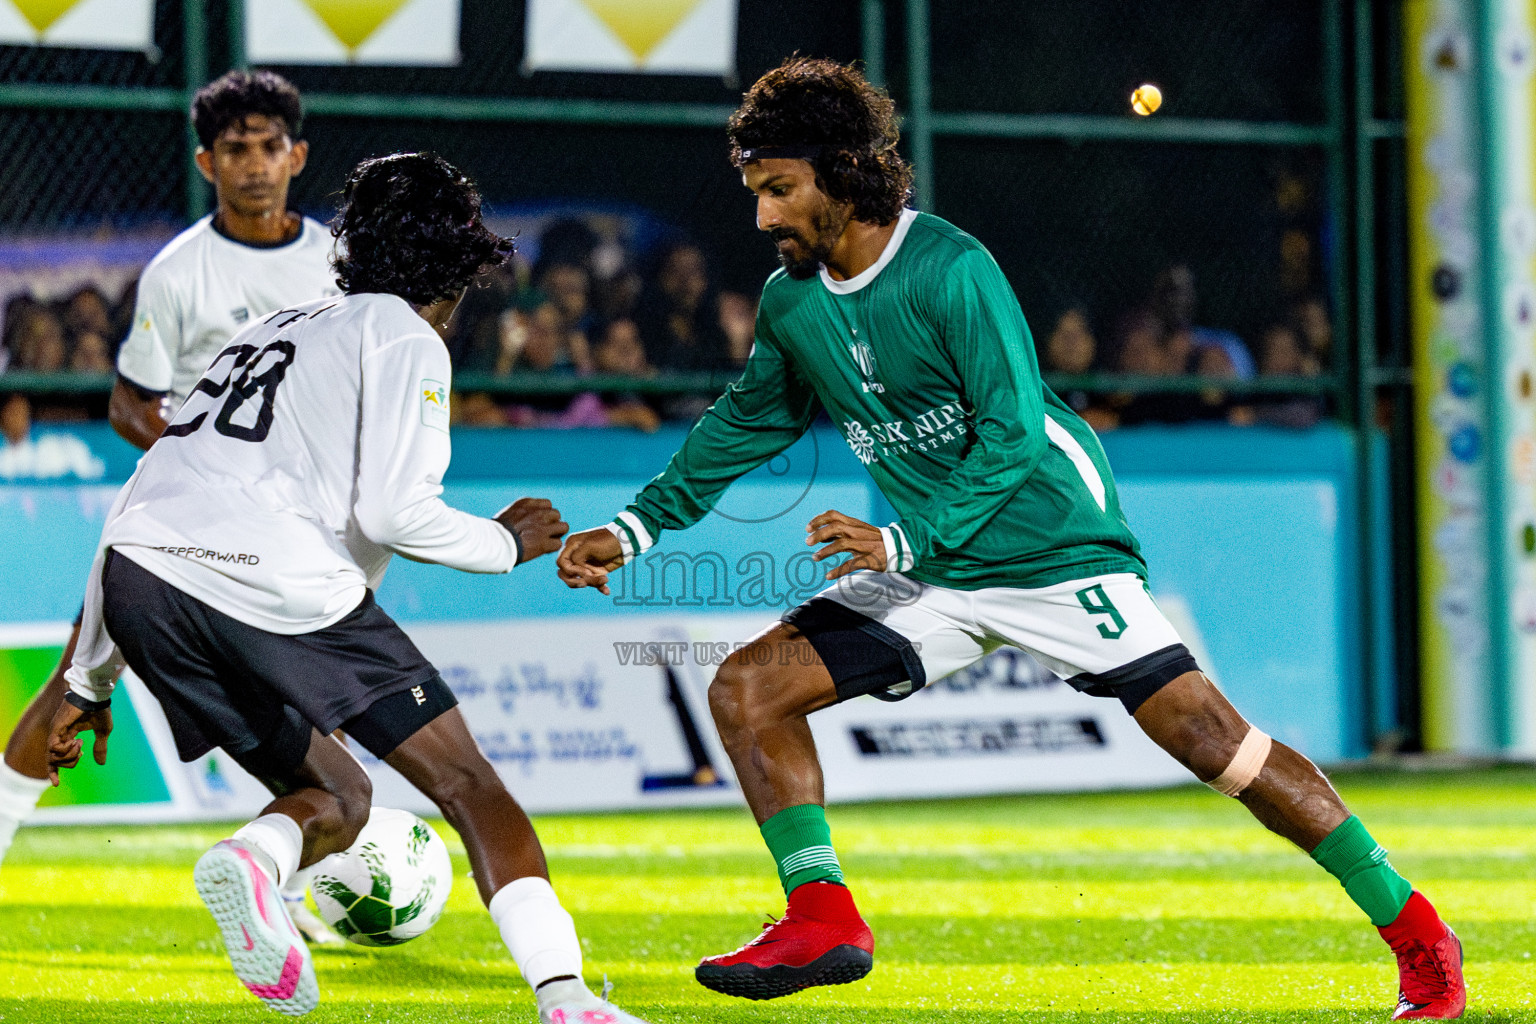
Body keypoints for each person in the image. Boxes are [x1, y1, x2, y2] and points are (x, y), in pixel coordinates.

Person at [556, 57, 1466, 1018]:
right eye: (756, 192)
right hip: (933, 561)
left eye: (780, 189)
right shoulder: (793, 301)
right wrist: (635, 528)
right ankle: (823, 918)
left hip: (1048, 544)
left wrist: (904, 543)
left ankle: (1418, 933)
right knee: (749, 688)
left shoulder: (951, 267)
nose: (763, 216)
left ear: (844, 174)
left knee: (1214, 743)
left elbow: (1012, 433)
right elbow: (746, 423)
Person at [46, 152, 652, 1024]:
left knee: (342, 797)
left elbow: (146, 491)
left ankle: (256, 858)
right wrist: (505, 544)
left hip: (142, 583)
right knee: (470, 787)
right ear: (461, 264)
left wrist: (88, 680)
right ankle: (568, 999)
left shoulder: (268, 330)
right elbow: (397, 513)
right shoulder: (405, 336)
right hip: (270, 578)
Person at [0, 68, 344, 947]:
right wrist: (205, 462)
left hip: (293, 522)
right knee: (78, 677)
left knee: (303, 700)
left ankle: (288, 879)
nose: (255, 164)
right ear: (206, 162)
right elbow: (129, 402)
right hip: (174, 516)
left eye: (270, 146)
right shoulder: (179, 271)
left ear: (298, 155)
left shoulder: (337, 267)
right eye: (236, 148)